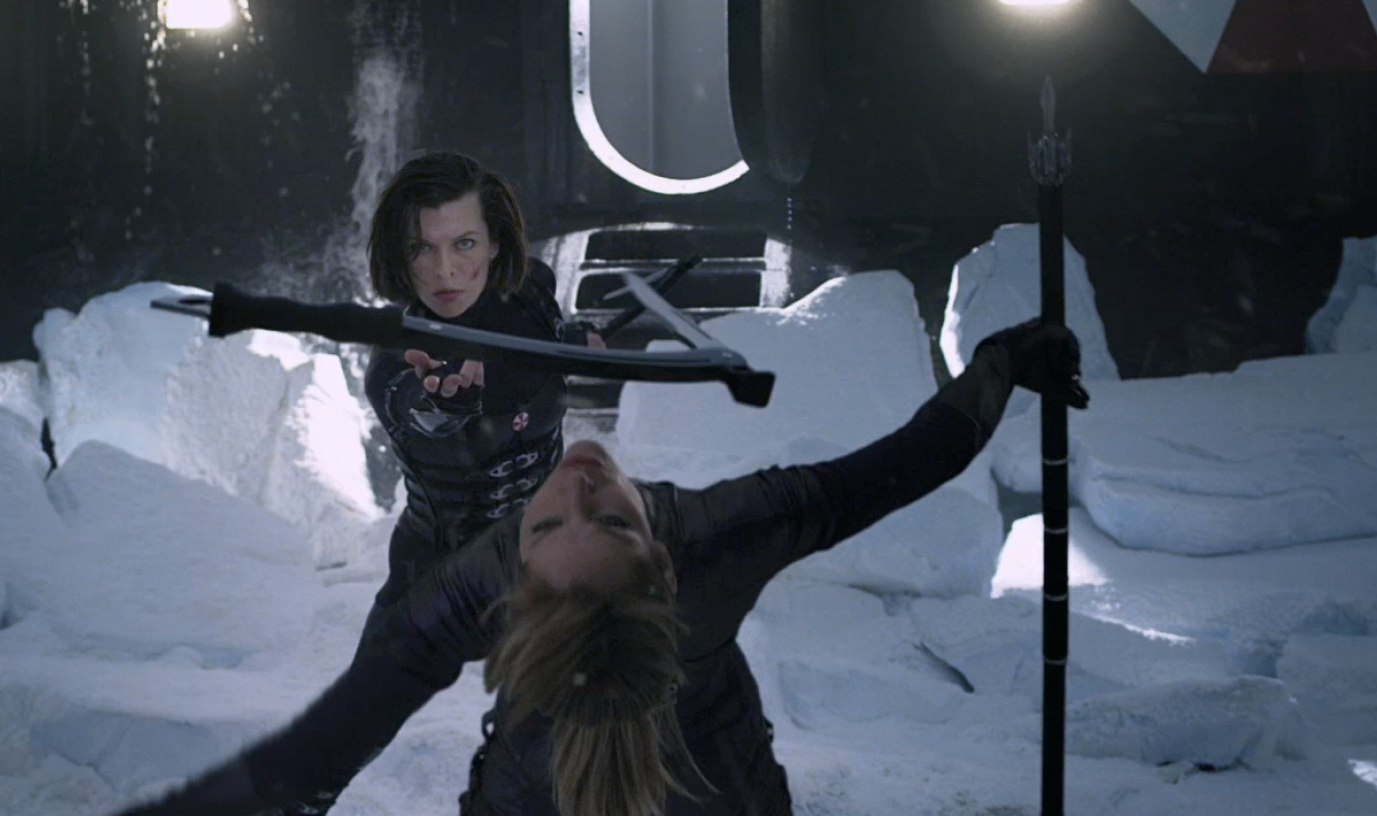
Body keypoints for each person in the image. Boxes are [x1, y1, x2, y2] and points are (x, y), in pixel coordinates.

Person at [113, 318, 1089, 816]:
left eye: (550, 523)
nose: (579, 481)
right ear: (658, 560)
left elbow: (321, 747)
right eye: (608, 518)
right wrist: (1000, 366)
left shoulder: (487, 579)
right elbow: (902, 466)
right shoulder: (717, 537)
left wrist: (1004, 364)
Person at [358, 151, 600, 643]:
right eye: (421, 249)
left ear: (495, 243)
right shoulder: (398, 358)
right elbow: (418, 408)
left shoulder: (532, 293)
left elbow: (546, 341)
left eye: (464, 243)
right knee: (372, 686)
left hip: (547, 556)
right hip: (439, 574)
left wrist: (577, 342)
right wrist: (444, 402)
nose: (445, 271)